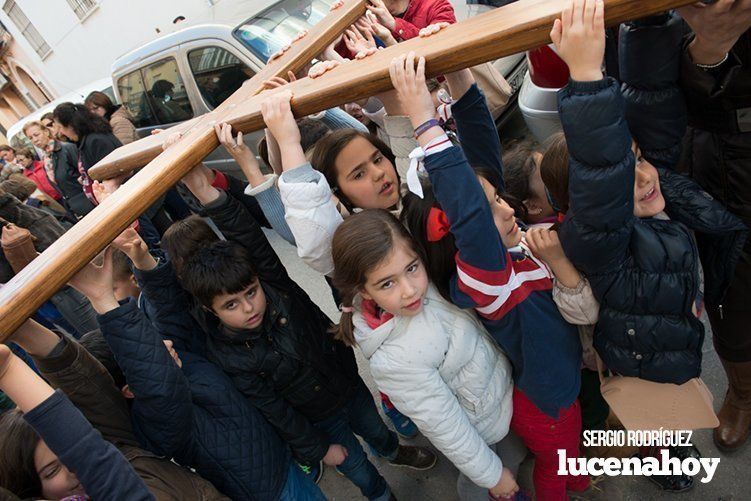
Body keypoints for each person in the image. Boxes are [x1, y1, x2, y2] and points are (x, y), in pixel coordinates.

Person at [547, 2, 747, 490]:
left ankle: (670, 450)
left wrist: (647, 19)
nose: (641, 175)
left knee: (675, 419)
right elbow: (601, 171)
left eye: (638, 158)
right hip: (645, 363)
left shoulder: (654, 194)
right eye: (621, 172)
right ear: (586, 205)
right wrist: (587, 75)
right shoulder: (603, 240)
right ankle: (659, 466)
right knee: (658, 426)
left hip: (674, 343)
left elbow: (650, 105)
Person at [389, 49, 588, 500]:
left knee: (568, 458)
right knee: (553, 471)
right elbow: (472, 210)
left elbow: (483, 156)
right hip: (546, 404)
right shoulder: (487, 280)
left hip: (559, 387)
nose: (508, 205)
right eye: (490, 206)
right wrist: (423, 120)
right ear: (460, 232)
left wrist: (461, 73)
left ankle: (580, 479)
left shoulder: (515, 245)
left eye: (501, 197)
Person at [173, 163, 437, 501]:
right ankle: (380, 494)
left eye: (251, 292)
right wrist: (318, 449)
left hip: (346, 383)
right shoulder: (228, 354)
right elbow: (275, 410)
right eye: (231, 305)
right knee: (355, 465)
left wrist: (207, 193)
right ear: (211, 309)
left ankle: (392, 451)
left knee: (374, 427)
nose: (250, 307)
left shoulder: (277, 290)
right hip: (318, 421)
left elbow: (248, 235)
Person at [68, 234, 326, 501]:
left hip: (280, 455)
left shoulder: (178, 355)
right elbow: (158, 383)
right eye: (152, 351)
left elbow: (167, 307)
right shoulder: (158, 421)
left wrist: (140, 256)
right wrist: (103, 299)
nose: (163, 345)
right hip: (271, 489)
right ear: (132, 389)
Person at [330, 209, 523, 500]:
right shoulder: (394, 360)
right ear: (364, 291)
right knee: (485, 482)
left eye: (411, 268)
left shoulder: (428, 279)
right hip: (478, 428)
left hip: (496, 397)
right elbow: (448, 427)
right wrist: (492, 476)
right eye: (387, 283)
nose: (410, 290)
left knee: (514, 457)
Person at [3, 317, 224, 499]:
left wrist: (22, 328)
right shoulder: (112, 480)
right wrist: (8, 371)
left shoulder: (116, 444)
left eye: (74, 446)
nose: (78, 463)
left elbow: (82, 382)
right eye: (52, 470)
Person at [677, 0, 751, 452]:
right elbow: (652, 95)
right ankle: (743, 393)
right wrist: (710, 48)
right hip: (725, 161)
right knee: (732, 294)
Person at [0, 342, 150, 500]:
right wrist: (8, 370)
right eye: (52, 471)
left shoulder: (128, 454)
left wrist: (9, 368)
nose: (77, 466)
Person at [53, 102, 123, 208]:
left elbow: (115, 172)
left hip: (122, 200)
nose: (61, 133)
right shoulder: (86, 142)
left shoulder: (95, 141)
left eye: (61, 127)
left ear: (70, 126)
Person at [23, 119, 93, 218]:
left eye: (36, 135)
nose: (34, 140)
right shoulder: (45, 158)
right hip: (75, 208)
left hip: (89, 201)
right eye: (30, 138)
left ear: (46, 132)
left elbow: (87, 174)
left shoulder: (67, 149)